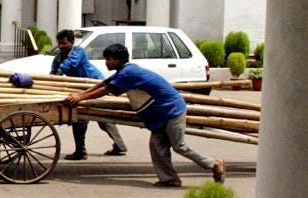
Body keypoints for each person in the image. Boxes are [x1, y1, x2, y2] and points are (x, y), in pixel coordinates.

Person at [63, 43, 224, 188]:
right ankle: (170, 179)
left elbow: (106, 90)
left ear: (119, 60)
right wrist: (81, 94)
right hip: (160, 113)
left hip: (171, 110)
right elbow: (104, 83)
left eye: (109, 59)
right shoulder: (125, 70)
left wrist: (80, 98)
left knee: (179, 146)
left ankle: (214, 164)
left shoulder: (128, 73)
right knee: (157, 145)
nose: (106, 62)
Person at [51, 29, 127, 160]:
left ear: (72, 42)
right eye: (59, 43)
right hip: (80, 88)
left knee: (94, 118)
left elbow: (69, 64)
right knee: (94, 118)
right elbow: (53, 74)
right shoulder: (58, 58)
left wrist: (59, 73)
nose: (61, 46)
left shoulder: (79, 51)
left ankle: (81, 151)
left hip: (95, 84)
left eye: (64, 43)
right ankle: (118, 146)